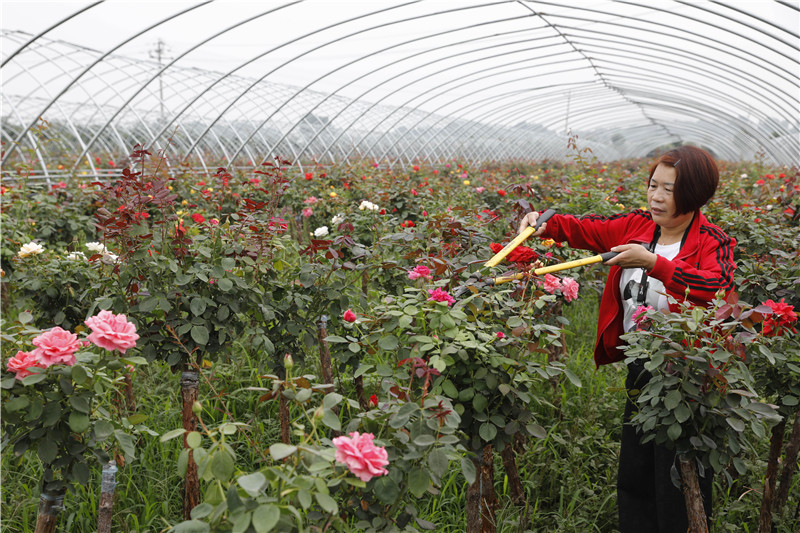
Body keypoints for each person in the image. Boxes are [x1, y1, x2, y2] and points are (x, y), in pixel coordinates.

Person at [518, 145, 736, 533]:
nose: (656, 196)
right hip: (642, 364)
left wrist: (655, 264)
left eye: (669, 190)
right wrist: (543, 222)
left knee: (679, 469)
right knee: (635, 466)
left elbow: (716, 287)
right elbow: (587, 229)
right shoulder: (636, 226)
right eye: (653, 185)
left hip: (687, 372)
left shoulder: (711, 242)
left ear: (695, 194)